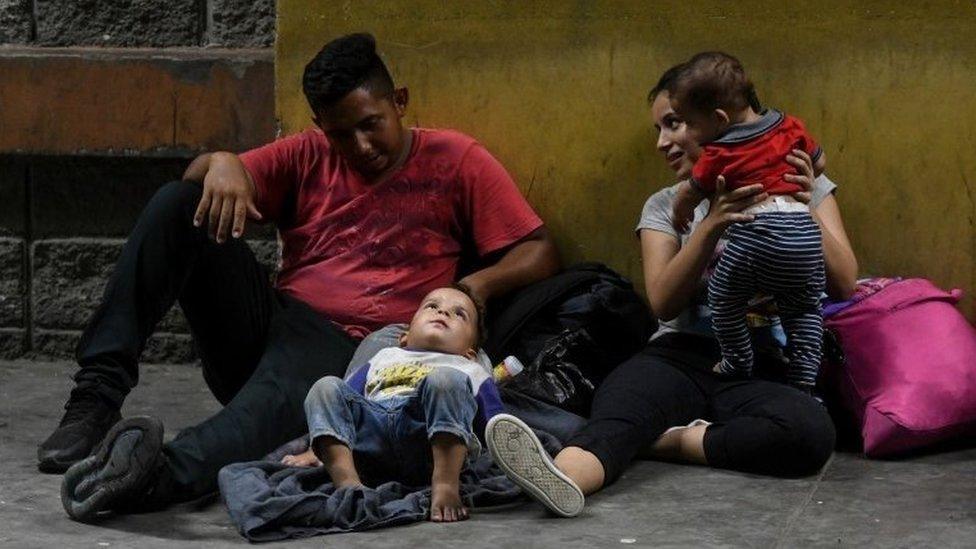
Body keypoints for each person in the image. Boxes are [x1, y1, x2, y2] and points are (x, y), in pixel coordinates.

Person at [52, 33, 559, 522]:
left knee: (268, 406)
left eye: (371, 124)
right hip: (274, 329)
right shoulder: (306, 154)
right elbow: (203, 187)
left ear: (399, 102)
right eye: (340, 133)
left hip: (351, 353)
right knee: (179, 202)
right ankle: (95, 399)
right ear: (320, 125)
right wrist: (220, 162)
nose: (359, 146)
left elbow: (538, 251)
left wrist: (473, 288)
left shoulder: (456, 160)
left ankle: (153, 474)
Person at [486, 60, 857, 517]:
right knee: (618, 411)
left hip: (761, 365)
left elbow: (844, 282)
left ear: (717, 119)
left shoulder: (804, 182)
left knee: (810, 432)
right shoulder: (666, 205)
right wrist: (711, 225)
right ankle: (563, 478)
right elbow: (663, 302)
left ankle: (672, 441)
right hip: (679, 356)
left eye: (674, 124)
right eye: (658, 128)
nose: (662, 142)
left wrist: (801, 203)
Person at [668, 52, 827, 392]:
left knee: (724, 297)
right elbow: (821, 161)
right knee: (805, 311)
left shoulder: (721, 151)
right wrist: (804, 181)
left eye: (690, 124)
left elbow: (691, 191)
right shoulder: (791, 126)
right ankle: (804, 379)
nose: (688, 134)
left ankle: (737, 359)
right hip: (804, 234)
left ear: (719, 118)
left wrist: (680, 212)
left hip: (758, 235)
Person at [283, 285, 502, 522]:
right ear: (404, 337)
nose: (443, 313)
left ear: (470, 352)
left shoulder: (470, 369)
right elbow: (342, 403)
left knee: (446, 380)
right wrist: (313, 451)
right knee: (326, 386)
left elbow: (499, 425)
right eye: (432, 306)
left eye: (459, 314)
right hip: (369, 444)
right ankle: (349, 486)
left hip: (425, 443)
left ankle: (446, 486)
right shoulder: (384, 357)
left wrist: (515, 453)